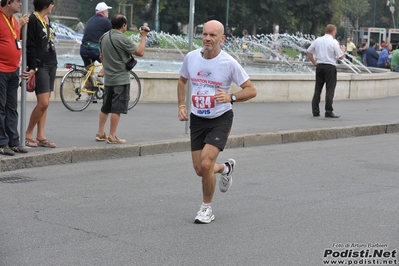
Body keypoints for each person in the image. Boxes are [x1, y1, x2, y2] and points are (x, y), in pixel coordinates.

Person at [177, 20, 257, 224]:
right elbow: (182, 80)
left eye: (213, 35)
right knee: (200, 169)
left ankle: (206, 209)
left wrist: (231, 97)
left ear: (222, 38)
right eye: (204, 34)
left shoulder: (228, 62)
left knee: (206, 162)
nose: (207, 38)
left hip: (220, 118)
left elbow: (251, 90)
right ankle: (225, 168)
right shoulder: (191, 58)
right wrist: (181, 106)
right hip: (197, 118)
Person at [95, 14, 148, 144]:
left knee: (105, 107)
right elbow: (140, 52)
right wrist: (143, 37)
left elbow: (101, 57)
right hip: (121, 79)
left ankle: (100, 133)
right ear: (123, 26)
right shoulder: (122, 38)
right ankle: (112, 136)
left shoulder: (104, 37)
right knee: (116, 109)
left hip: (109, 79)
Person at [23, 0, 57, 148]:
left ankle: (41, 135)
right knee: (43, 102)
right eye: (52, 3)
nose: (53, 6)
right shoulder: (33, 20)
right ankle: (28, 134)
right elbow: (29, 45)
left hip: (51, 64)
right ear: (45, 5)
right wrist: (33, 67)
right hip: (41, 65)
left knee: (45, 104)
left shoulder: (47, 20)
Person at [0, 0, 29, 156]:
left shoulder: (14, 20)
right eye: (18, 1)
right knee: (1, 107)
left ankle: (13, 141)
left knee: (12, 108)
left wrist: (21, 25)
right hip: (1, 70)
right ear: (8, 2)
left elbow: (14, 39)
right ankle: (2, 142)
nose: (21, 4)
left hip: (13, 70)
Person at [306, 24, 346, 118]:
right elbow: (340, 57)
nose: (335, 33)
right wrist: (343, 50)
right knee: (330, 89)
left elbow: (308, 52)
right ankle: (328, 111)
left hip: (319, 66)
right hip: (330, 67)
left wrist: (314, 63)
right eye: (335, 31)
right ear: (333, 31)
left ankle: (315, 110)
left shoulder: (318, 40)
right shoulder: (333, 42)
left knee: (318, 89)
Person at [79, 2, 112, 82]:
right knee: (110, 62)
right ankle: (100, 76)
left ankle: (89, 91)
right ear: (103, 11)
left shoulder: (90, 20)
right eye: (107, 10)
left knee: (89, 71)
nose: (108, 12)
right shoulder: (106, 21)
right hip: (94, 49)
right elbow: (113, 35)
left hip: (83, 49)